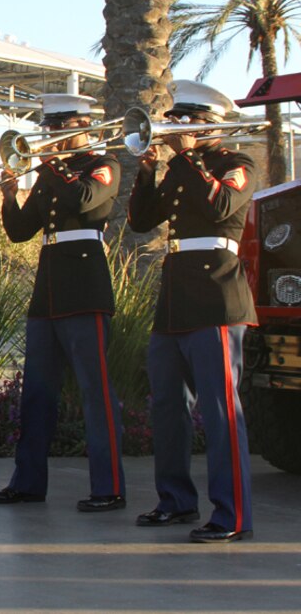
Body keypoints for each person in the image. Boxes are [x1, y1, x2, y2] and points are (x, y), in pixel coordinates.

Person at [0, 94, 126, 512]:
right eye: (48, 127)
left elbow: (83, 199)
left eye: (58, 127)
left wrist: (52, 162)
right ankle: (27, 481)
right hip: (48, 290)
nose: (48, 135)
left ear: (83, 126)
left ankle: (110, 487)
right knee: (37, 394)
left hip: (84, 286)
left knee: (95, 393)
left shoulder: (103, 165)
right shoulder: (50, 173)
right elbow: (22, 231)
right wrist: (10, 196)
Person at [128, 80, 256, 543]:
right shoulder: (184, 169)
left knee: (221, 411)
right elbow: (143, 222)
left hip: (216, 297)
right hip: (176, 300)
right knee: (167, 406)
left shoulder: (237, 165)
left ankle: (232, 514)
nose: (174, 128)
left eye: (185, 122)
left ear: (210, 126)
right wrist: (146, 174)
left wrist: (183, 158)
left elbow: (220, 204)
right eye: (174, 119)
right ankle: (175, 500)